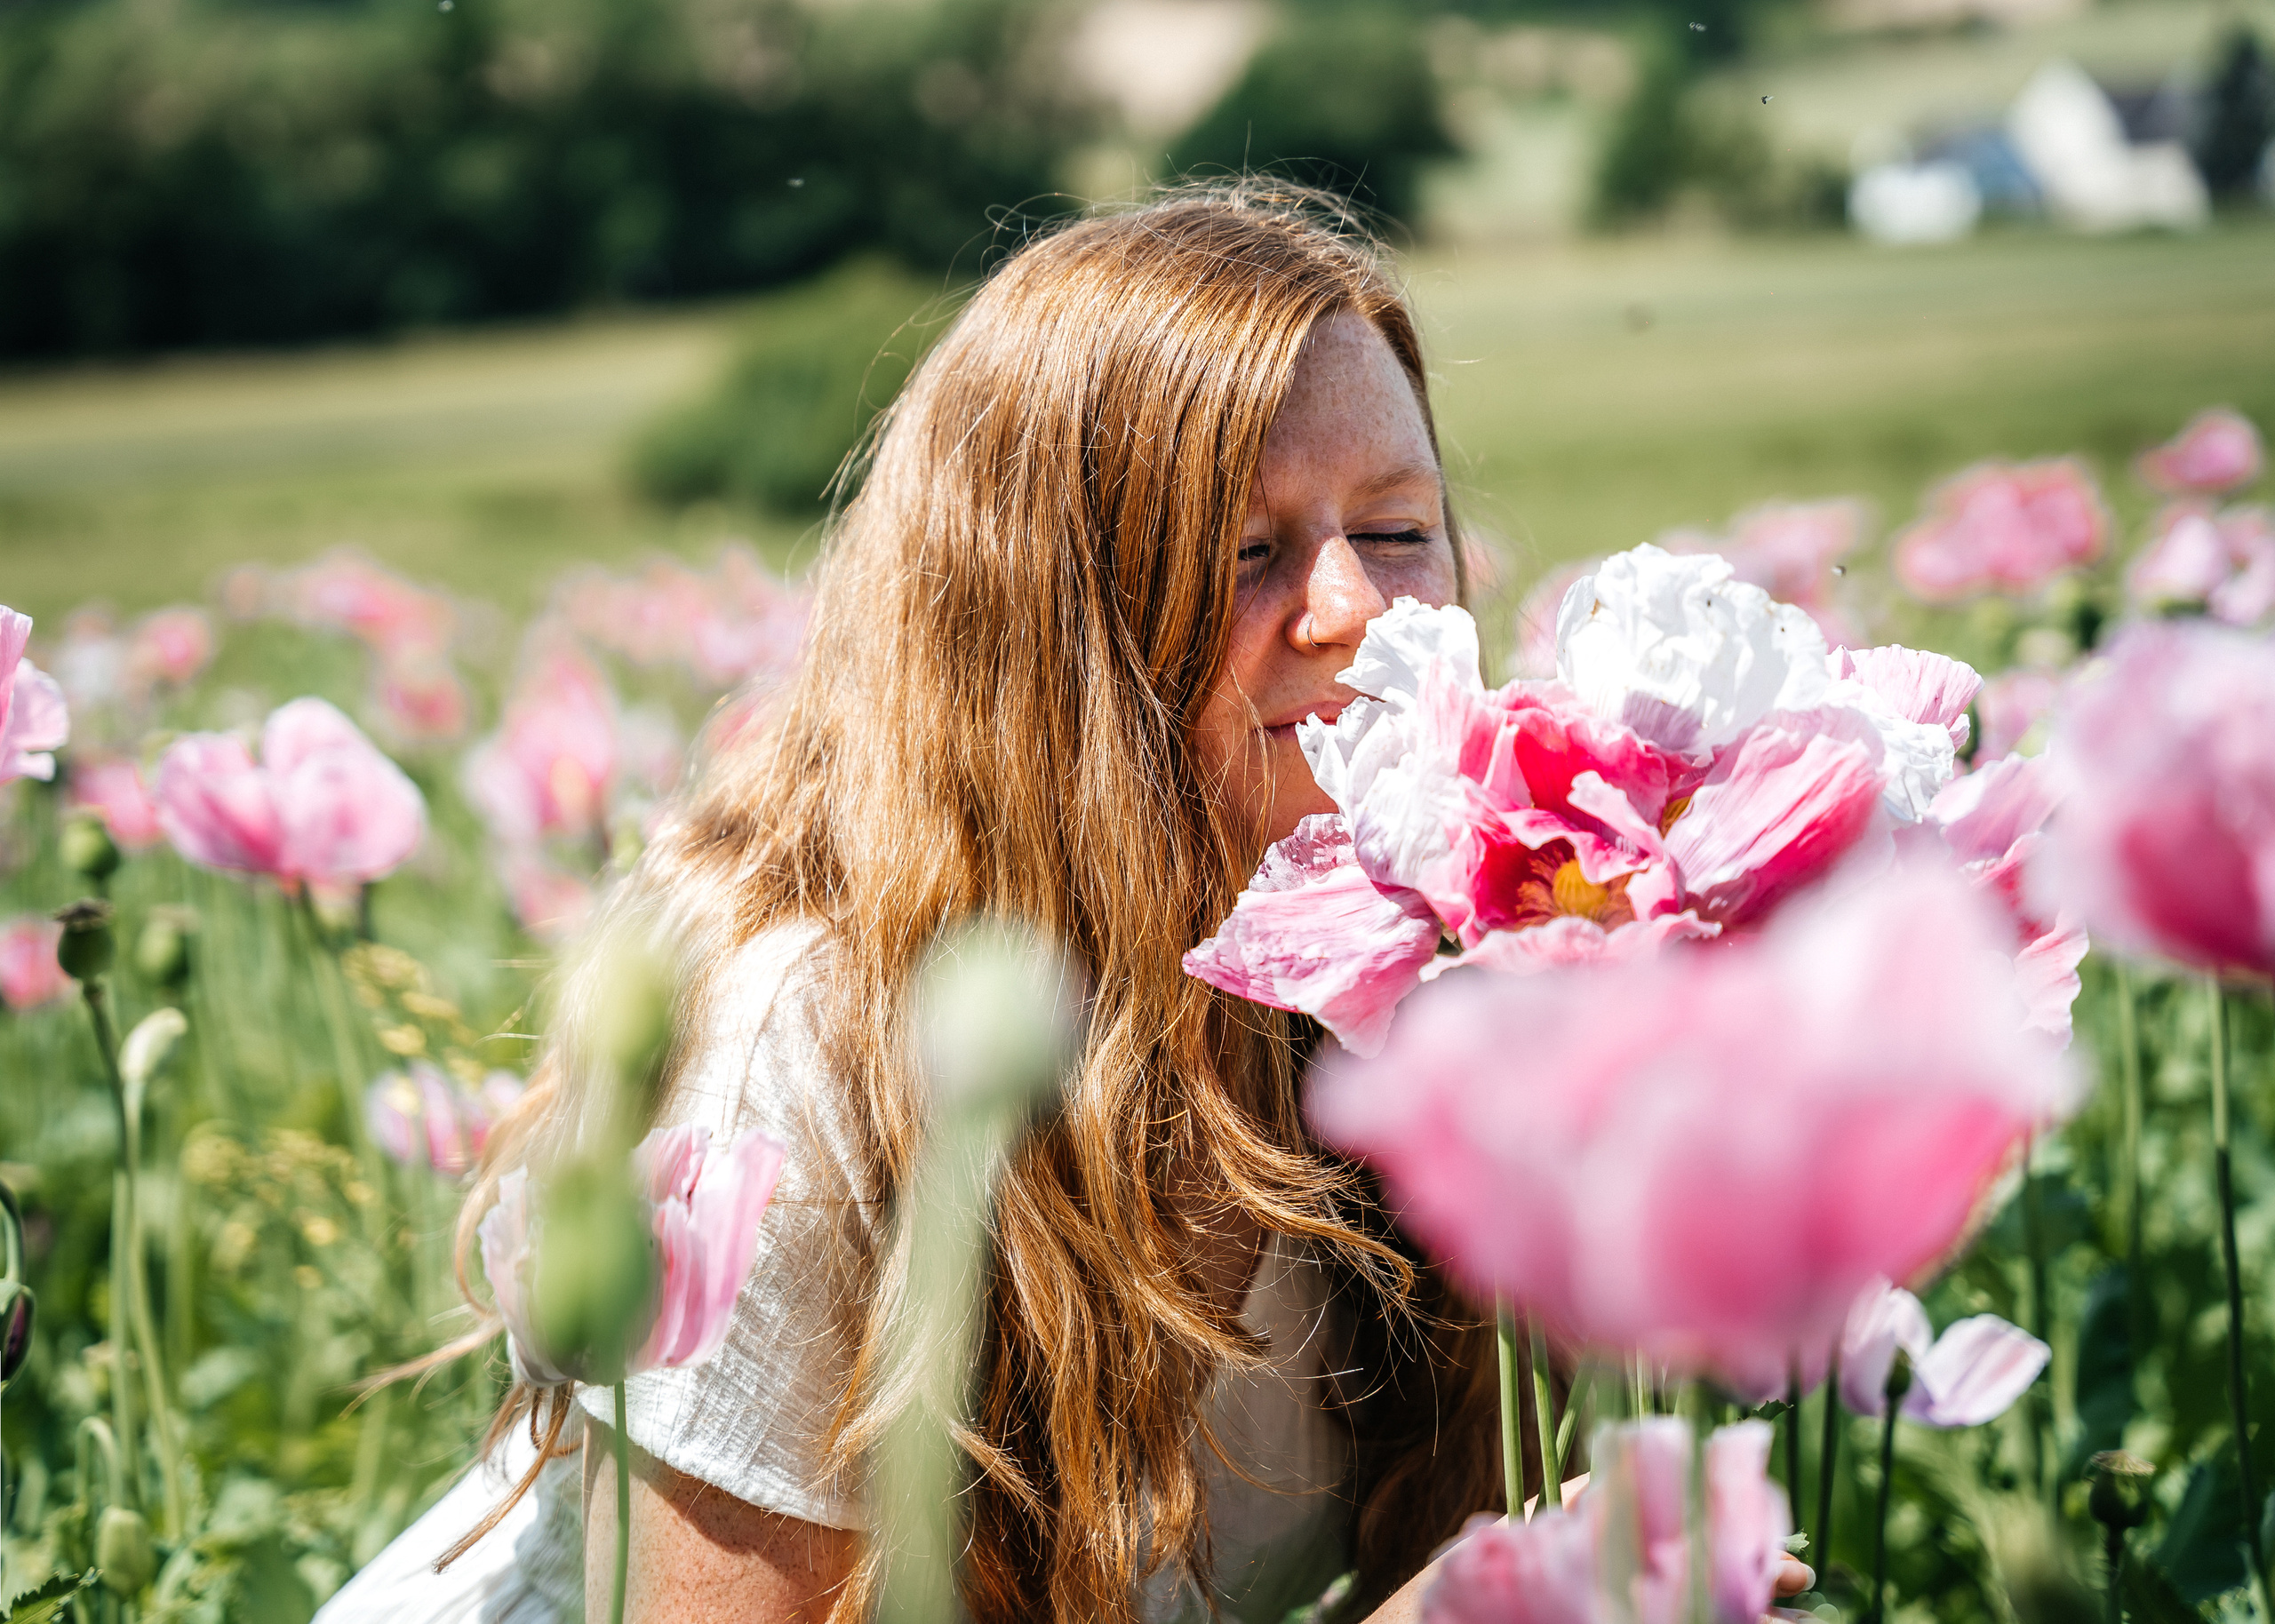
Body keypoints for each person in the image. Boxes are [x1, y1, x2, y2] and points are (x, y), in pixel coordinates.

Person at [319, 183, 1808, 1624]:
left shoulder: (1443, 975)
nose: (1357, 608)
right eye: (1245, 551)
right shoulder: (821, 1043)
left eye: (1401, 528)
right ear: (1056, 626)